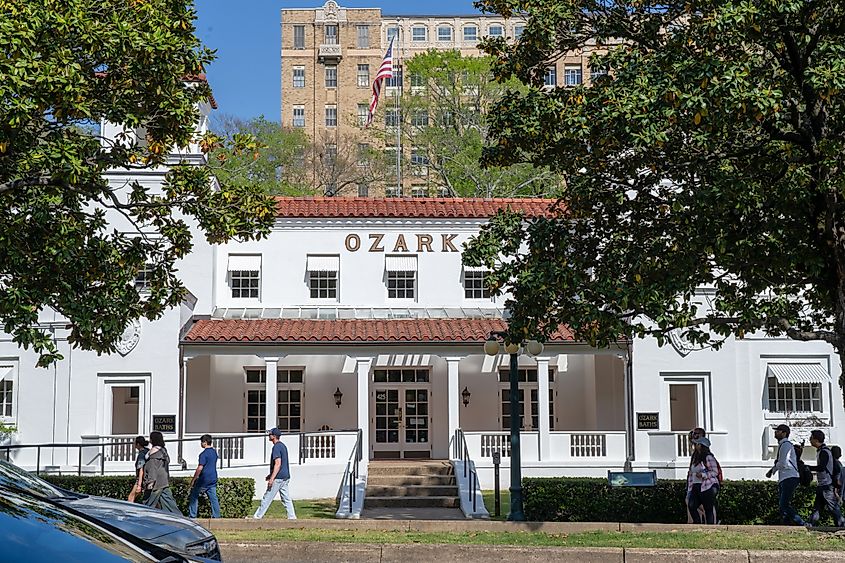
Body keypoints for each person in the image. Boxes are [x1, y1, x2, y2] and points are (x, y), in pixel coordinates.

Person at [252, 428, 296, 519]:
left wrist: (272, 479)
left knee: (267, 497)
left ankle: (257, 516)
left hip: (278, 477)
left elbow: (278, 463)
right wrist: (270, 474)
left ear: (274, 436)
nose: (269, 435)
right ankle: (292, 517)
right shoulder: (283, 446)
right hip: (285, 476)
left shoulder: (276, 447)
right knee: (286, 498)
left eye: (270, 434)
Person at [765, 424, 805, 525]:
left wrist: (772, 470)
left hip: (789, 477)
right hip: (785, 477)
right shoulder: (783, 445)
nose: (775, 432)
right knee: (783, 504)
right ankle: (786, 525)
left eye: (778, 431)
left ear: (784, 433)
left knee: (784, 504)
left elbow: (783, 462)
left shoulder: (786, 444)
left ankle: (801, 523)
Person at [807, 430, 845, 527]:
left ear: (816, 440)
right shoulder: (821, 451)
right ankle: (811, 523)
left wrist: (808, 468)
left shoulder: (824, 452)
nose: (810, 440)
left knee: (832, 507)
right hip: (822, 484)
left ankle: (842, 524)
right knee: (817, 507)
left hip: (826, 484)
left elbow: (822, 468)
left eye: (811, 438)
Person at [142, 431, 182, 515]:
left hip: (156, 482)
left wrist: (150, 482)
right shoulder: (163, 451)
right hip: (164, 480)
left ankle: (144, 517)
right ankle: (178, 517)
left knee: (149, 502)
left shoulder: (153, 453)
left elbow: (152, 468)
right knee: (169, 502)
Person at [686, 436, 720, 524]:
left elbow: (715, 472)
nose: (695, 446)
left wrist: (703, 475)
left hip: (707, 486)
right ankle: (697, 523)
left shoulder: (708, 457)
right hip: (696, 485)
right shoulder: (695, 458)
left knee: (708, 508)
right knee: (691, 505)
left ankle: (710, 526)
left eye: (697, 444)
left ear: (701, 446)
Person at [188, 434, 221, 518]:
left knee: (194, 495)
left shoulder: (203, 454)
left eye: (202, 442)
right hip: (213, 477)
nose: (201, 444)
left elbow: (200, 468)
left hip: (204, 478)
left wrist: (193, 479)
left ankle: (192, 515)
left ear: (205, 442)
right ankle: (216, 515)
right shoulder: (214, 452)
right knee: (213, 498)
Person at [128, 435, 149, 503]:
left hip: (141, 479)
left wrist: (139, 485)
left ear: (138, 444)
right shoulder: (147, 451)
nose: (134, 445)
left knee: (131, 497)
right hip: (148, 477)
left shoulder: (141, 454)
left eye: (135, 443)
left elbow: (141, 469)